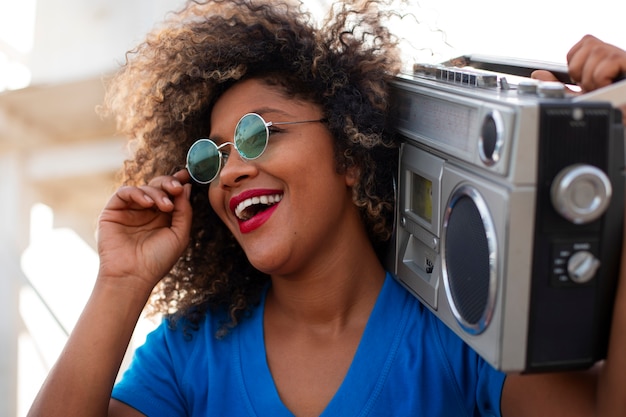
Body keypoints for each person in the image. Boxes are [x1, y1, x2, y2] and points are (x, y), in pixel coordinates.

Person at [26, 0, 626, 416]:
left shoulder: (457, 334)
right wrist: (120, 281)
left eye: (261, 134)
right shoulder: (190, 352)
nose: (231, 171)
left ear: (350, 153)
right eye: (210, 157)